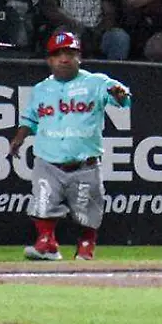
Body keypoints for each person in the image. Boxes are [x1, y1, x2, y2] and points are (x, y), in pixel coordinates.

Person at [10, 30, 132, 262]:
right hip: (48, 160)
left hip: (85, 162)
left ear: (79, 57)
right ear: (49, 61)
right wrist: (19, 137)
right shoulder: (41, 89)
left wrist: (120, 93)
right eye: (58, 54)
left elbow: (121, 96)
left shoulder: (96, 82)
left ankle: (87, 244)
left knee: (88, 209)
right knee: (43, 201)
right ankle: (47, 243)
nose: (64, 59)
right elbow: (30, 119)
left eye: (70, 53)